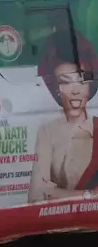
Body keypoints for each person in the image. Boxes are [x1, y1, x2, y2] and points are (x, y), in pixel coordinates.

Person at [29, 39, 98, 202]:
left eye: (82, 81)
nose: (75, 90)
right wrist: (91, 195)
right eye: (66, 82)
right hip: (55, 224)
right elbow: (37, 195)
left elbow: (48, 191)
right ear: (56, 89)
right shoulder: (47, 131)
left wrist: (60, 194)